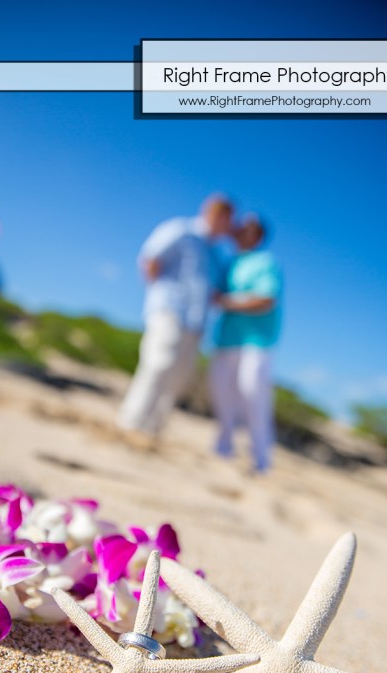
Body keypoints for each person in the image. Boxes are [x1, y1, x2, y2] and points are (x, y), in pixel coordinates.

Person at [117, 195, 234, 438]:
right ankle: (132, 419)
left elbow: (217, 290)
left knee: (180, 375)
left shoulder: (216, 254)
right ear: (212, 214)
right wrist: (160, 294)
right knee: (160, 361)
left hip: (196, 322)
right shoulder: (181, 230)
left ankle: (153, 427)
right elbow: (150, 258)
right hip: (170, 308)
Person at [210, 214, 282, 472]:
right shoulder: (230, 263)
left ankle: (261, 458)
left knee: (253, 394)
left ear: (258, 235)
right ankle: (223, 447)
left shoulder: (265, 262)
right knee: (221, 392)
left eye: (247, 229)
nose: (241, 232)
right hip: (227, 339)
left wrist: (228, 301)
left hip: (257, 341)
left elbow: (266, 299)